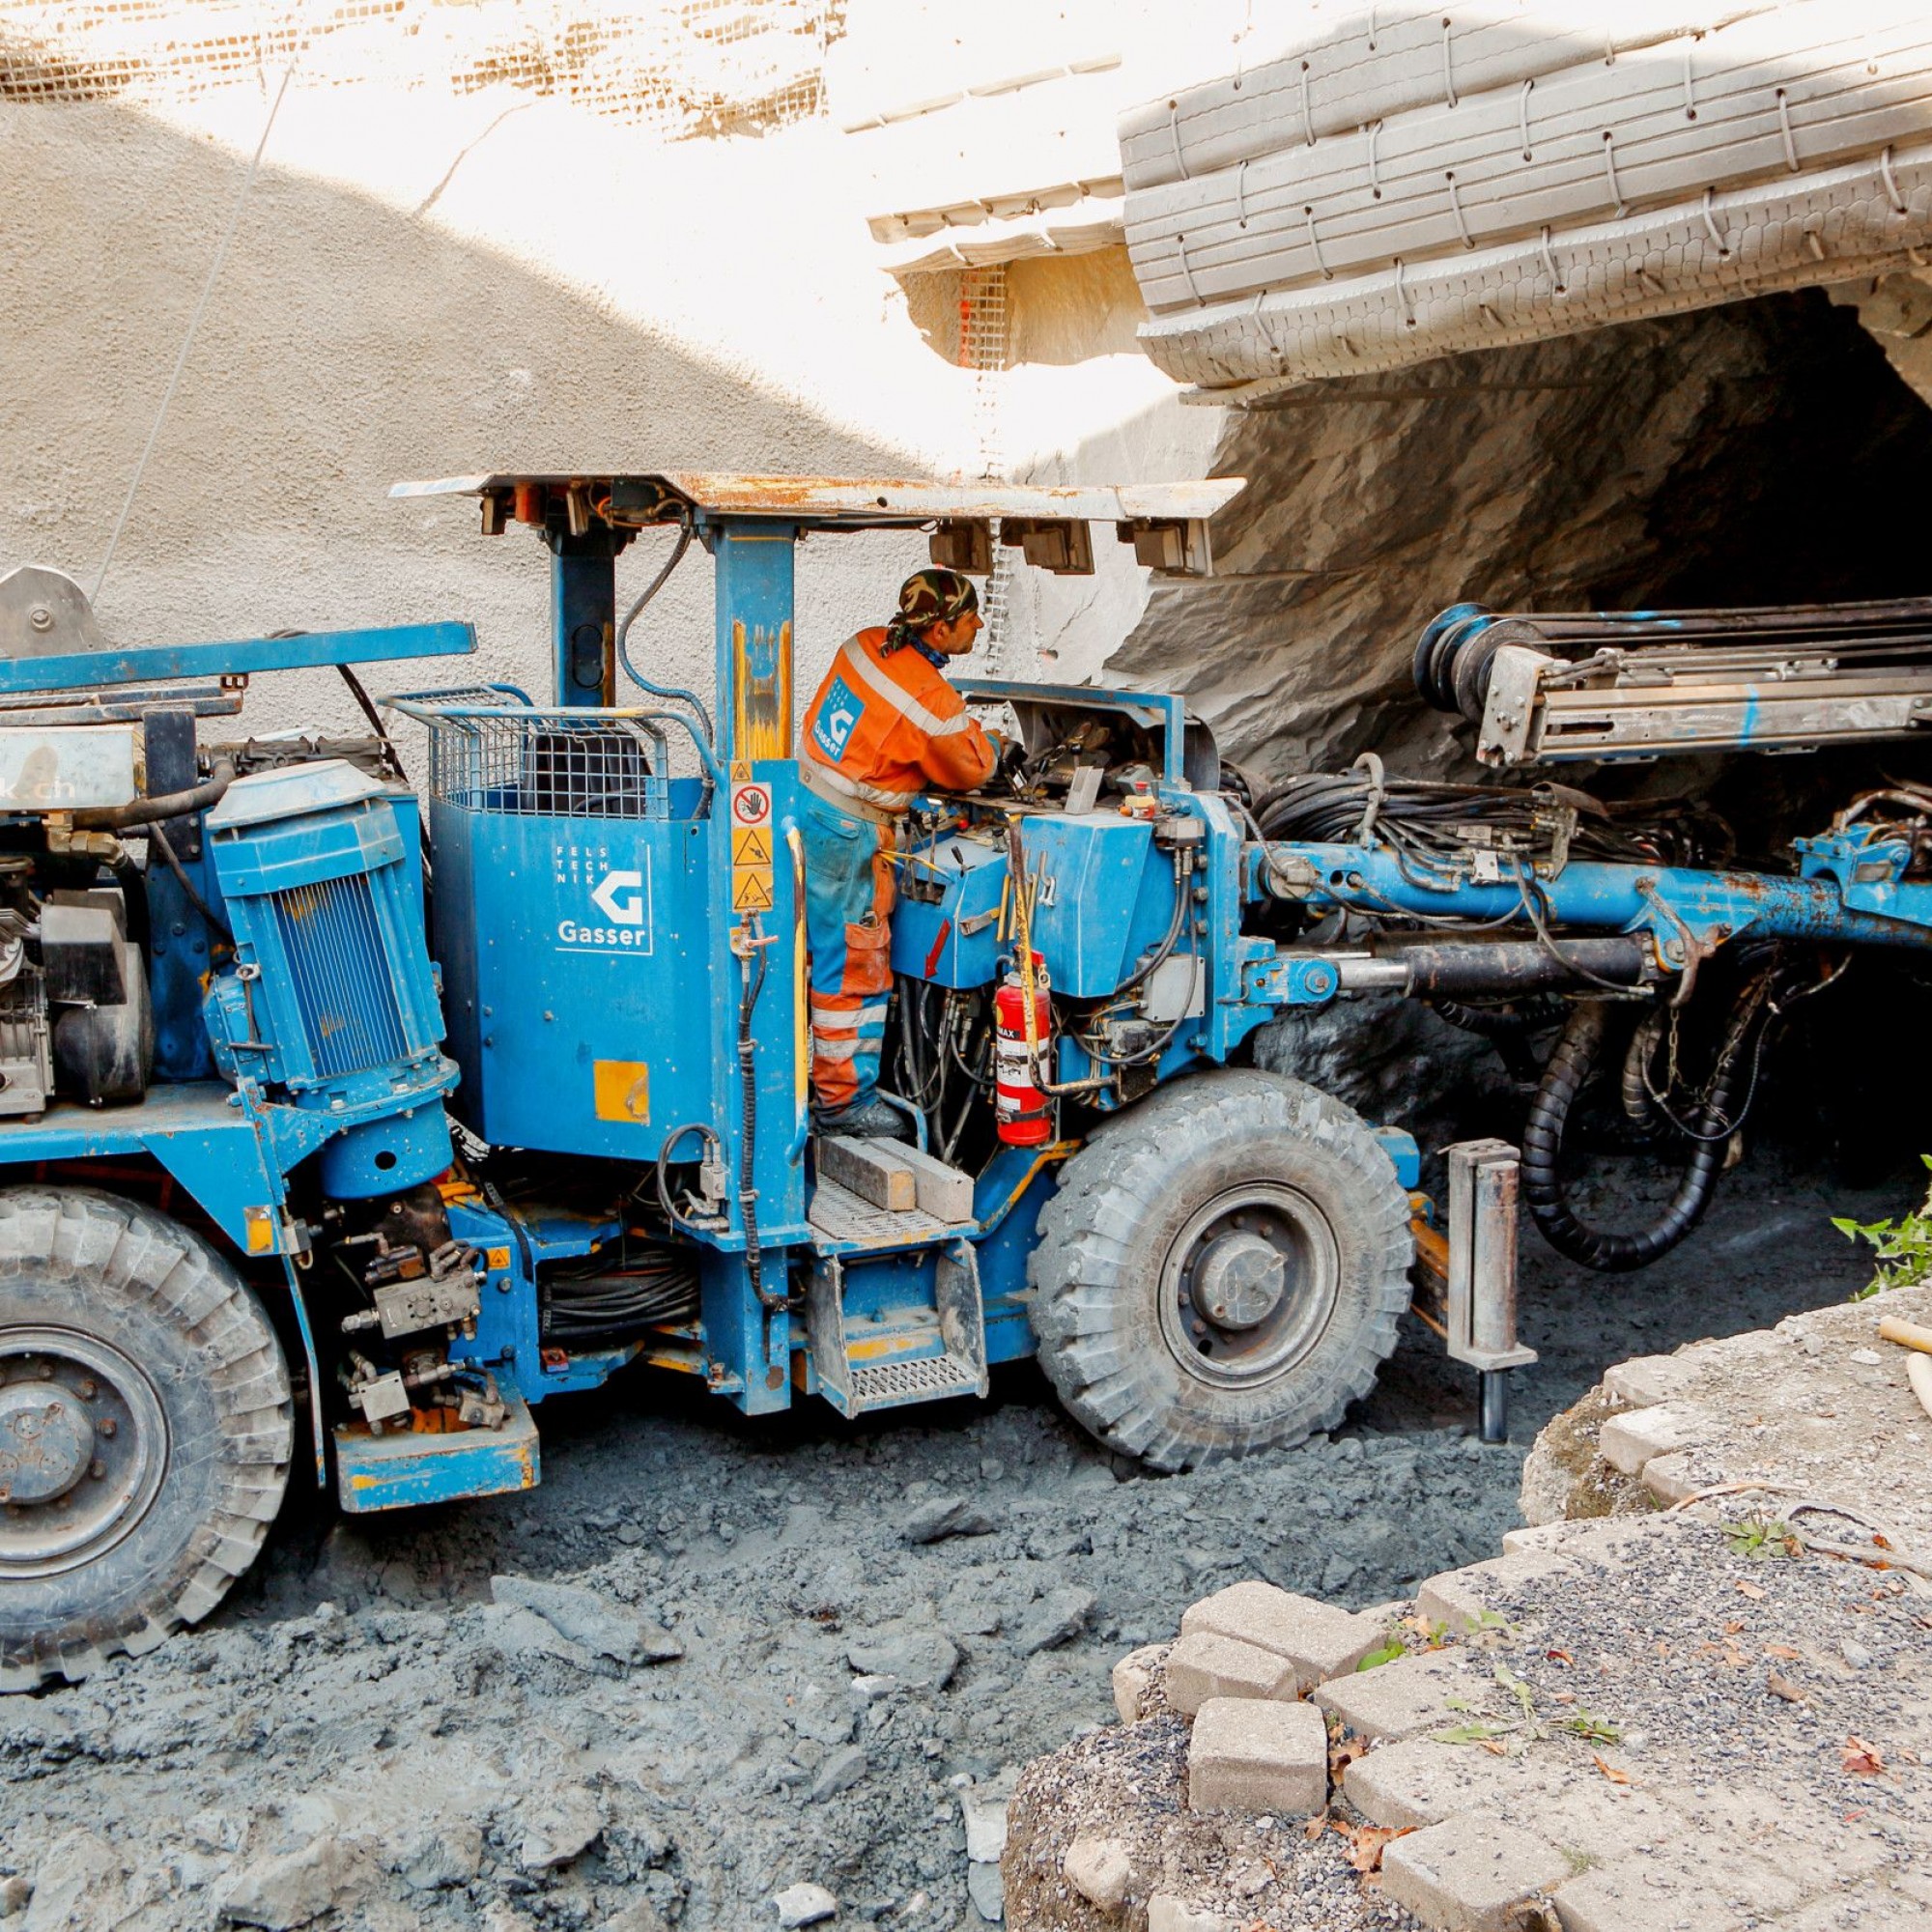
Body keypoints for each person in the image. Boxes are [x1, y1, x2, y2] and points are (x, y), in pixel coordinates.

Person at [796, 567, 997, 1139]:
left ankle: (802, 1080)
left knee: (803, 953)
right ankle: (841, 1103)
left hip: (806, 805)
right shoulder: (931, 698)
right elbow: (974, 767)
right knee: (853, 961)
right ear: (939, 629)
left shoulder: (863, 644)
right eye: (968, 618)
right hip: (848, 835)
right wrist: (995, 745)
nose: (978, 624)